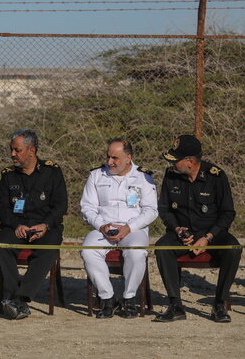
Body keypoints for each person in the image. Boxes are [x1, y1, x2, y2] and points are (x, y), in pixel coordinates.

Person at [154, 135, 241, 323]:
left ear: (190, 162)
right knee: (162, 248)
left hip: (212, 233)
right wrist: (176, 229)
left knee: (233, 248)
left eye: (176, 160)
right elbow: (164, 209)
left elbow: (227, 213)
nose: (172, 164)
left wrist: (208, 237)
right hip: (182, 233)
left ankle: (219, 304)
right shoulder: (171, 176)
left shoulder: (216, 176)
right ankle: (175, 305)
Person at [80, 138, 158, 319]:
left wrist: (129, 227)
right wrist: (101, 225)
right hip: (104, 228)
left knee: (137, 252)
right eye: (108, 157)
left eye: (115, 158)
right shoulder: (97, 175)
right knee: (88, 251)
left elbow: (151, 210)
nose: (109, 162)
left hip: (133, 229)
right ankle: (107, 298)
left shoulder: (143, 177)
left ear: (128, 158)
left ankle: (129, 298)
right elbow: (87, 207)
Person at [0, 129, 68, 320]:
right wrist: (16, 225)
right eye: (11, 150)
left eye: (17, 150)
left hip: (45, 227)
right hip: (17, 226)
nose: (12, 154)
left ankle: (19, 299)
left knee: (48, 248)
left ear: (31, 151)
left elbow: (61, 205)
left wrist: (45, 225)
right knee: (2, 246)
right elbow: (1, 208)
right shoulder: (8, 175)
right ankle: (12, 297)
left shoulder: (52, 172)